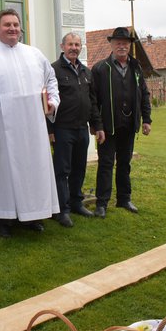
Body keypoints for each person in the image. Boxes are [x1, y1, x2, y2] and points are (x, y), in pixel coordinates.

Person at [0, 8, 60, 238]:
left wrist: (52, 103)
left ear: (21, 28)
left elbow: (51, 80)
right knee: (1, 172)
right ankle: (2, 218)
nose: (12, 28)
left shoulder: (35, 54)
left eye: (15, 24)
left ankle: (33, 215)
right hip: (0, 127)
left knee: (33, 169)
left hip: (33, 126)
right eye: (7, 25)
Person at [91, 27, 152, 218]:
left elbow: (144, 94)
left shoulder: (136, 68)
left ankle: (124, 199)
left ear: (130, 46)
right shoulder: (100, 68)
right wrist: (97, 125)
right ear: (111, 44)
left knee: (124, 163)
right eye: (118, 43)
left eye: (125, 43)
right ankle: (102, 203)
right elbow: (93, 100)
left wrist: (146, 119)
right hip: (108, 128)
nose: (122, 46)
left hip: (129, 125)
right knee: (106, 164)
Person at [48, 32, 105, 227]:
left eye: (77, 44)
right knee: (62, 170)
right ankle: (61, 210)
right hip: (62, 128)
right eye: (70, 44)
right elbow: (46, 103)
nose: (74, 48)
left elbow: (93, 101)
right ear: (62, 46)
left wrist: (97, 126)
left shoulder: (86, 72)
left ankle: (76, 203)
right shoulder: (53, 70)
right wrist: (50, 129)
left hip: (82, 128)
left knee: (79, 167)